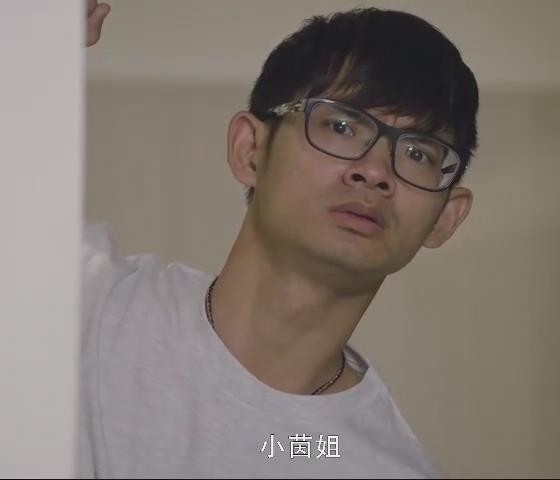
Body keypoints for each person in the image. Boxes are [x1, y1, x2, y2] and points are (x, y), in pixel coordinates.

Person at [80, 1, 478, 477]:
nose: (375, 171)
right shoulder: (89, 304)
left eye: (418, 153)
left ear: (445, 218)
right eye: (341, 126)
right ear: (250, 150)